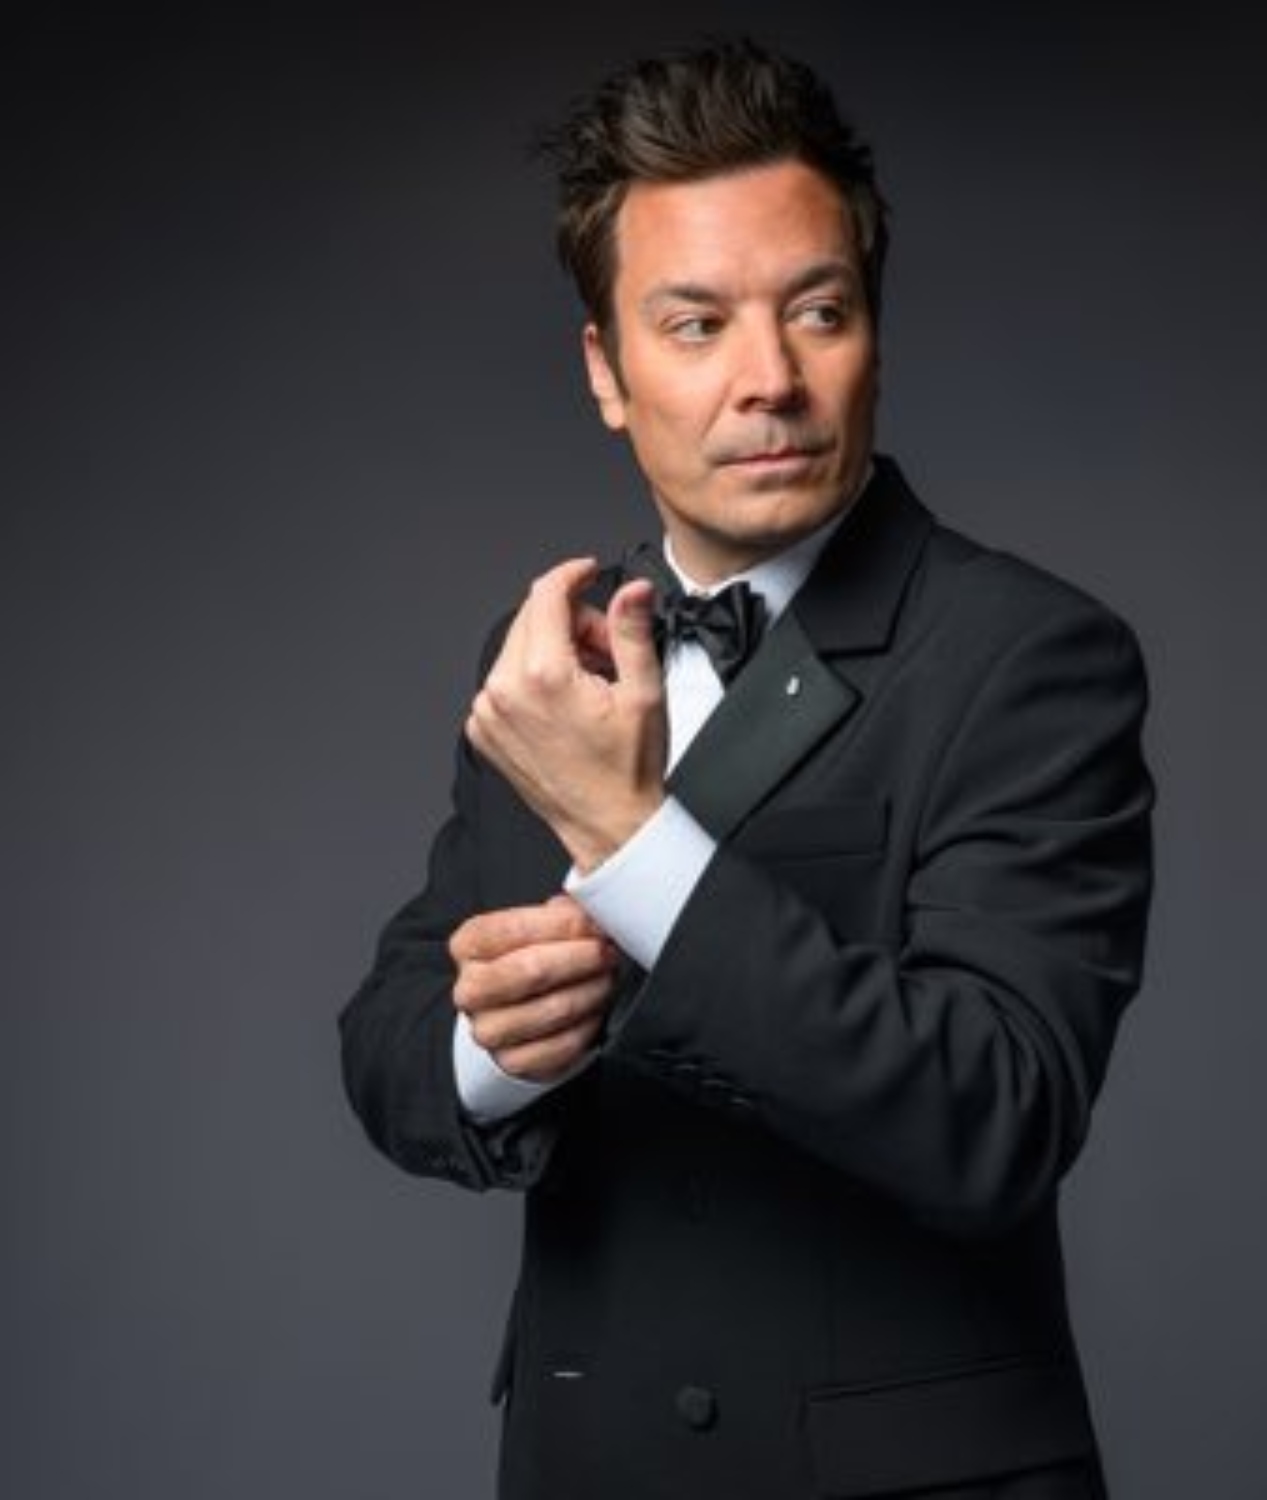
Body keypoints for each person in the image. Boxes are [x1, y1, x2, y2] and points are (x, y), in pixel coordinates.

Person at [339, 37, 1153, 1500]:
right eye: (696, 324)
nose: (769, 381)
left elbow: (996, 1115)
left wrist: (634, 847)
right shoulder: (545, 663)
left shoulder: (1032, 653)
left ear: (875, 335)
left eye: (819, 312)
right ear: (608, 371)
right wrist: (494, 1050)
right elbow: (390, 1034)